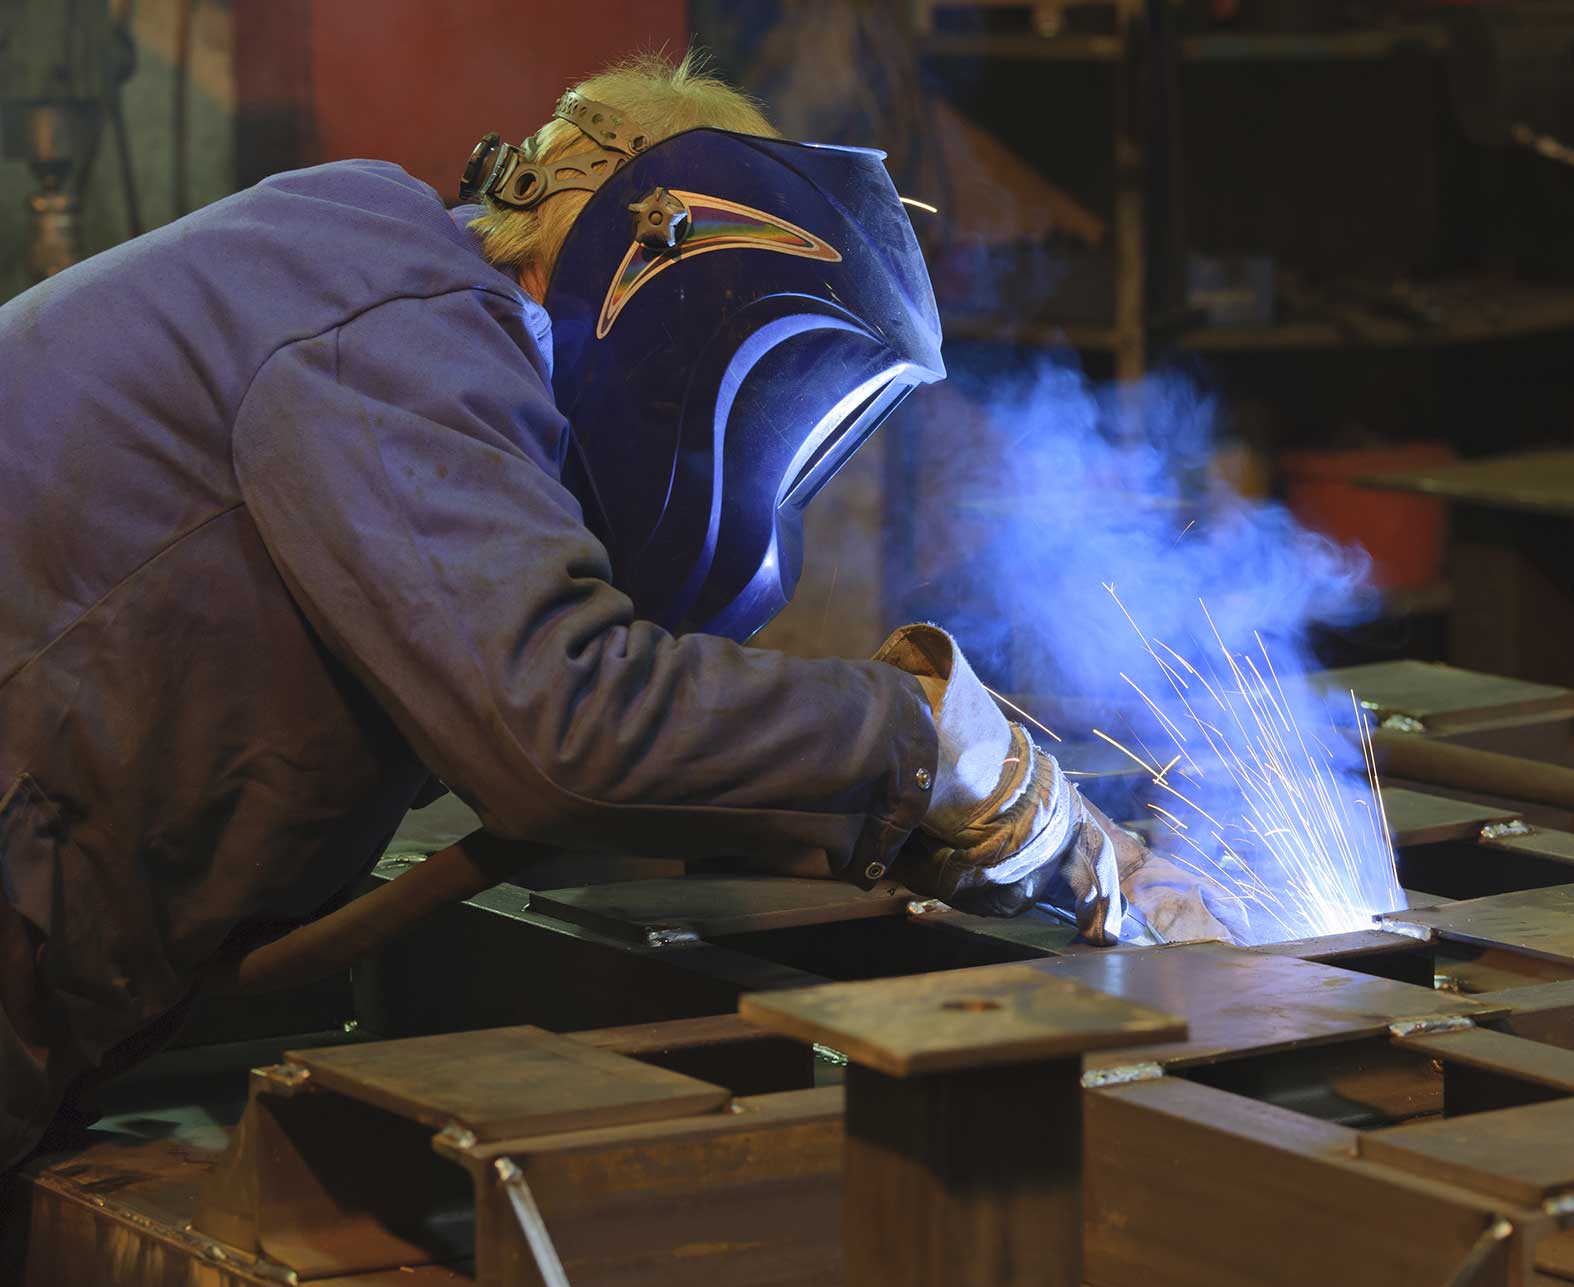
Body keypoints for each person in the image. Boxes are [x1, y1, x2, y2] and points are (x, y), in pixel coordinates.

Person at [0, 53, 1231, 1169]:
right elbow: (563, 724)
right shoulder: (389, 309)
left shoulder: (398, 331)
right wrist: (928, 735)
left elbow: (583, 745)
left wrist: (1002, 832)